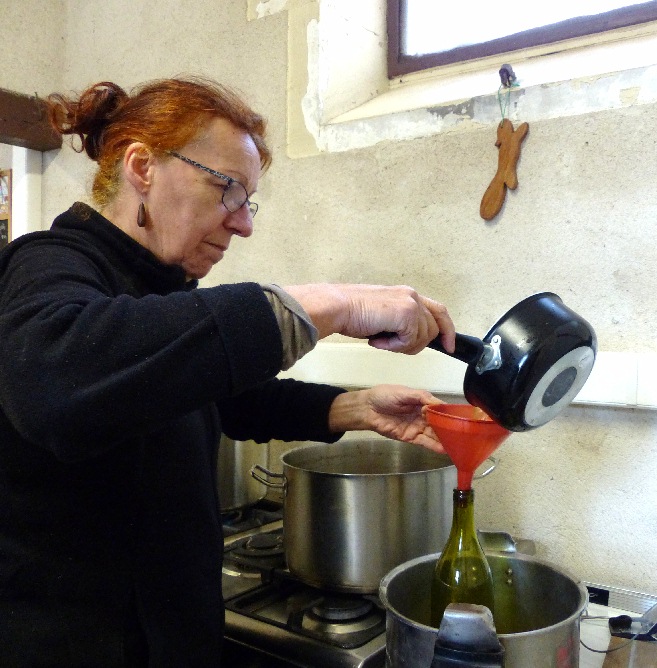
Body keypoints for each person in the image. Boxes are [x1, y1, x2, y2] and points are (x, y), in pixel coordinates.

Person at [0, 76, 456, 667]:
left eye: (248, 201)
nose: (243, 225)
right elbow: (56, 385)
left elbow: (210, 395)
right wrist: (333, 303)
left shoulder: (161, 290)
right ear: (142, 166)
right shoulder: (45, 264)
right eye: (227, 191)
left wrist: (352, 407)